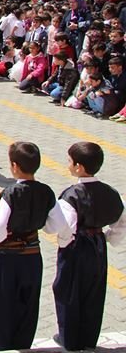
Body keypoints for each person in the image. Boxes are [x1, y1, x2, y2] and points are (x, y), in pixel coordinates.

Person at [0, 142, 70, 351]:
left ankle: (1, 341)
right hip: (33, 253)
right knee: (29, 299)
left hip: (8, 254)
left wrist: (0, 238)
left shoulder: (10, 192)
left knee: (2, 299)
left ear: (14, 166)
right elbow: (58, 225)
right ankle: (23, 340)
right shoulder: (46, 191)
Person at [52, 141, 126, 351]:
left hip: (77, 247)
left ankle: (70, 338)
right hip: (98, 246)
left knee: (68, 290)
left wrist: (64, 244)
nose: (68, 164)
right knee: (94, 291)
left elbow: (66, 227)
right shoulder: (111, 192)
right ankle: (88, 337)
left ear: (79, 167)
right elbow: (122, 221)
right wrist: (109, 237)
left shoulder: (71, 194)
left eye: (69, 161)